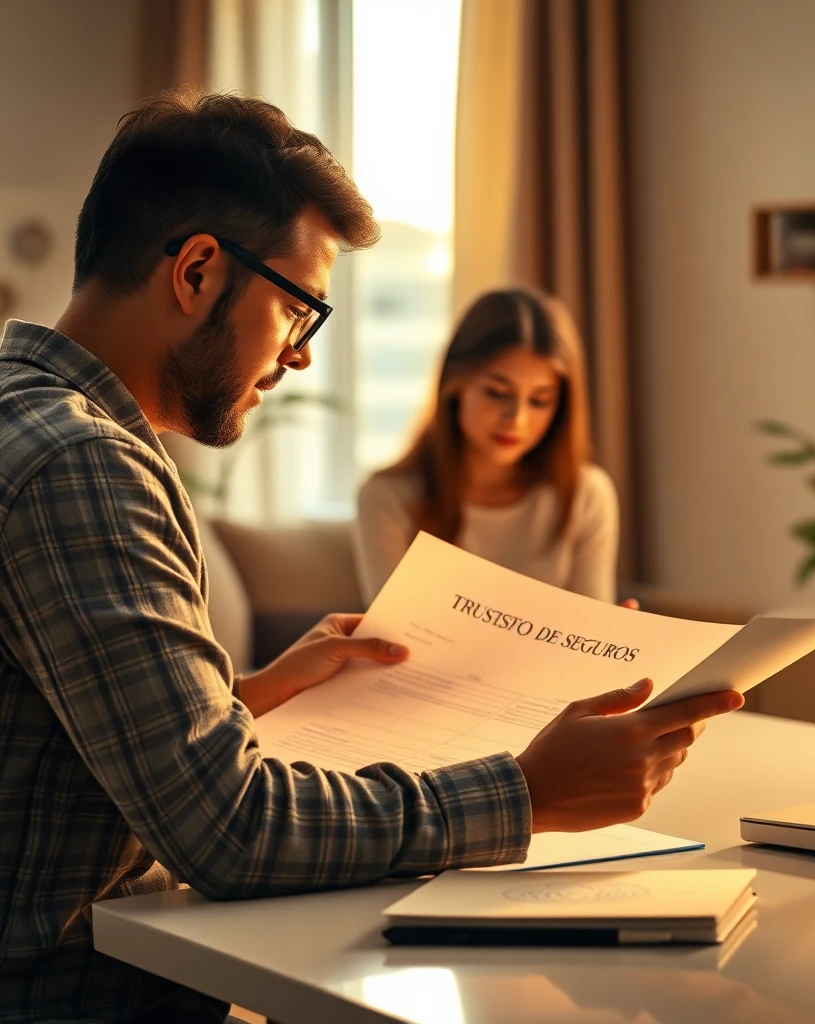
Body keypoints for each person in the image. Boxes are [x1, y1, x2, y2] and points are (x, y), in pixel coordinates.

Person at [0, 87, 742, 1024]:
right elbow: (228, 833)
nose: (300, 357)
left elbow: (51, 735)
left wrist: (249, 694)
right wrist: (525, 792)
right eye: (299, 309)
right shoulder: (84, 465)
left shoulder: (24, 415)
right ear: (195, 272)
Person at [355, 287, 618, 604]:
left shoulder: (586, 495)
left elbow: (590, 627)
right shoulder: (387, 497)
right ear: (455, 384)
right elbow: (392, 639)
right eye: (496, 392)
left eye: (540, 401)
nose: (516, 419)